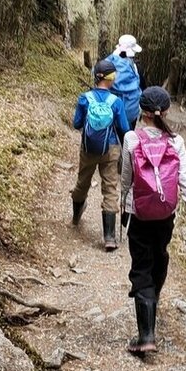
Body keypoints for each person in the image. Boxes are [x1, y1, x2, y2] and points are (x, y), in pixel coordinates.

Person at [120, 85, 186, 354]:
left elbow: (126, 180)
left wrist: (124, 209)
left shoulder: (132, 139)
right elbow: (185, 181)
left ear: (142, 112)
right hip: (166, 215)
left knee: (141, 266)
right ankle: (153, 297)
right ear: (165, 112)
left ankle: (146, 337)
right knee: (159, 255)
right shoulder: (176, 142)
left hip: (140, 215)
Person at [71, 59, 130, 250]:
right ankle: (109, 238)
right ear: (111, 78)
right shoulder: (116, 102)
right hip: (110, 149)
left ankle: (75, 216)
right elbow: (124, 129)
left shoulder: (84, 98)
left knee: (83, 182)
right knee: (110, 188)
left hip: (88, 149)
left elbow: (77, 124)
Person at [105, 34, 144, 129]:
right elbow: (142, 87)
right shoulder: (135, 67)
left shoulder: (107, 64)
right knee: (127, 139)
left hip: (108, 110)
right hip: (130, 113)